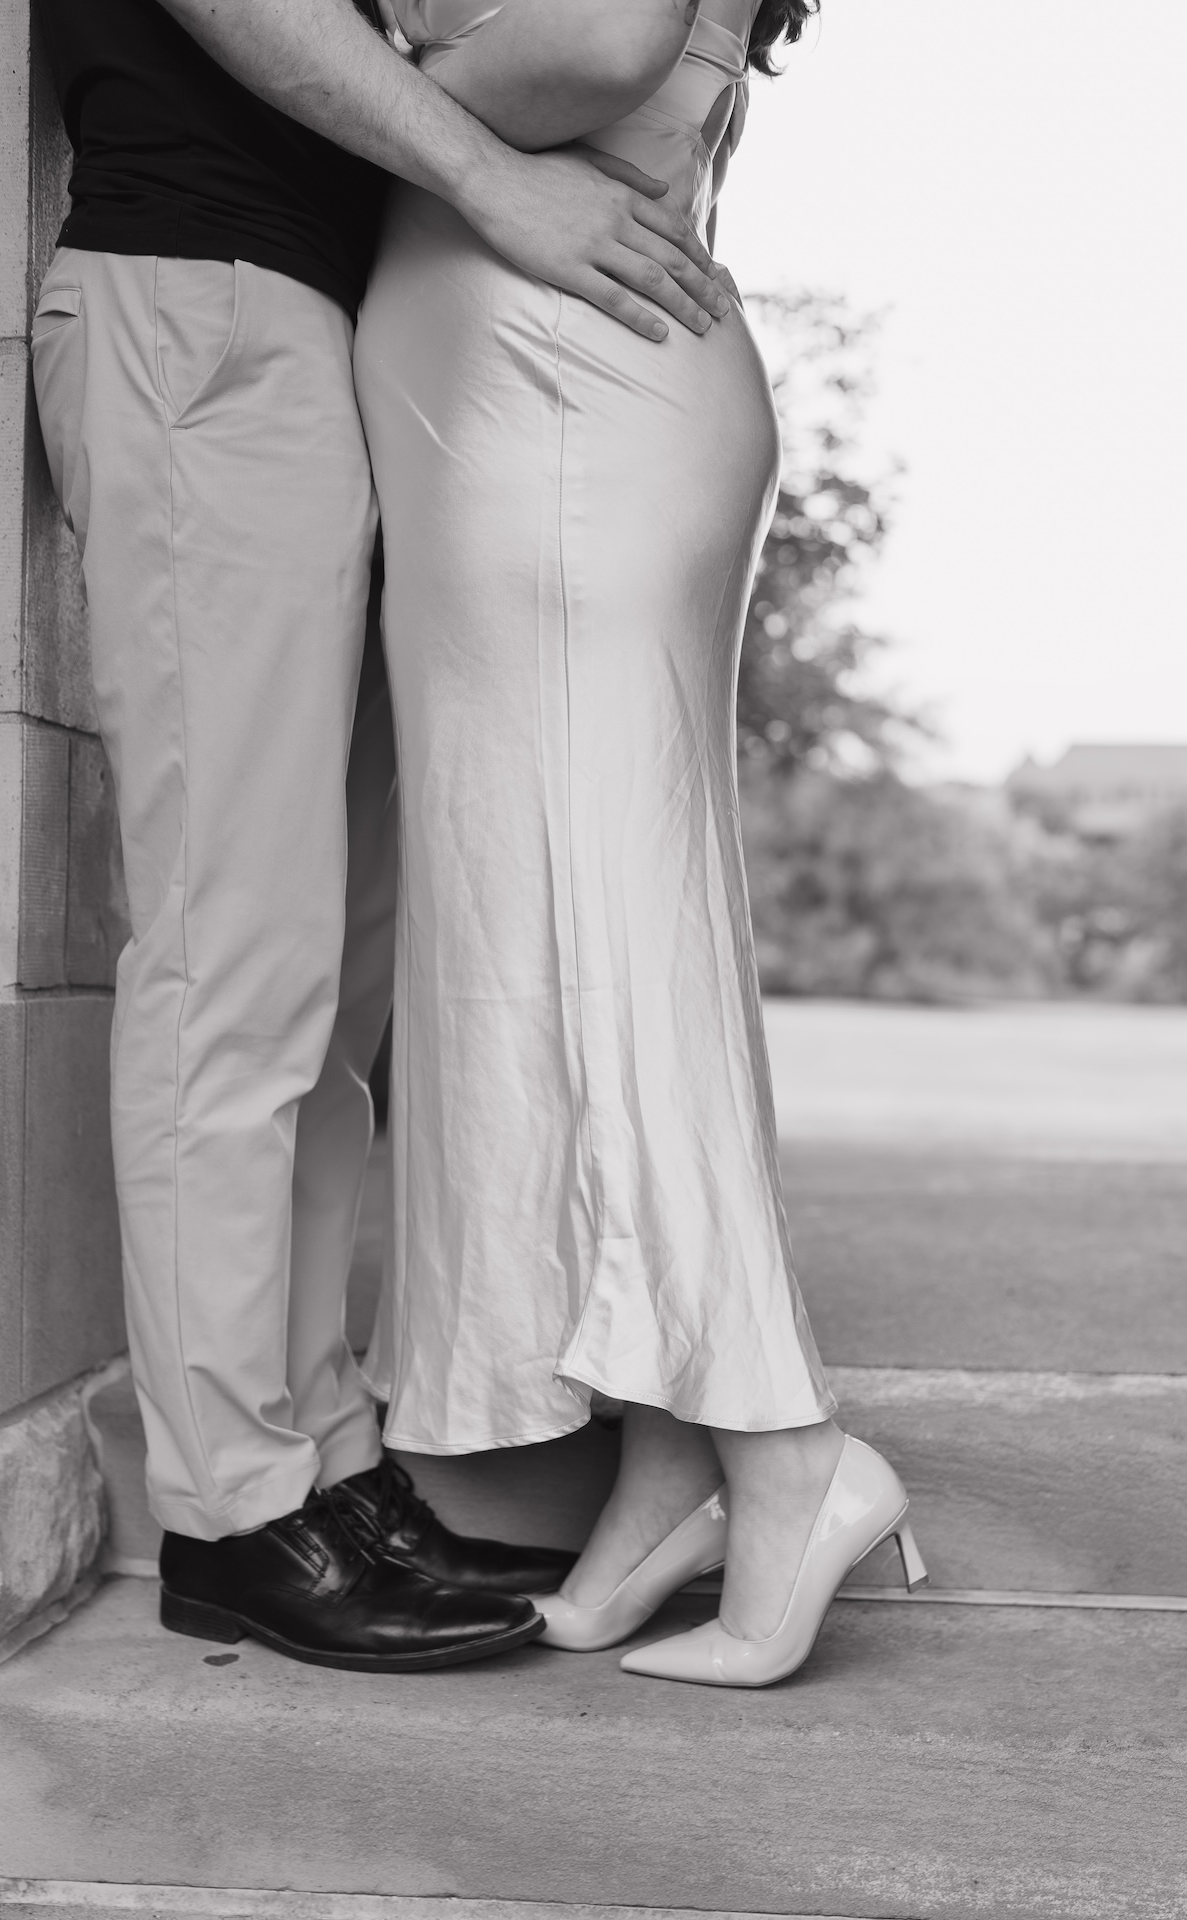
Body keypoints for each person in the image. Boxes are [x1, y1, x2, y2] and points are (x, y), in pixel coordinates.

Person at [30, 0, 732, 1672]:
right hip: (203, 306)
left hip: (313, 330)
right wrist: (489, 174)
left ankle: (323, 1461)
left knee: (329, 996)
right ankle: (231, 1511)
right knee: (235, 958)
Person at [354, 0, 929, 1689]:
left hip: (560, 415)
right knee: (559, 950)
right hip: (541, 408)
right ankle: (668, 1475)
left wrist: (337, 83)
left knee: (611, 962)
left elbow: (597, 44)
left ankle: (785, 1453)